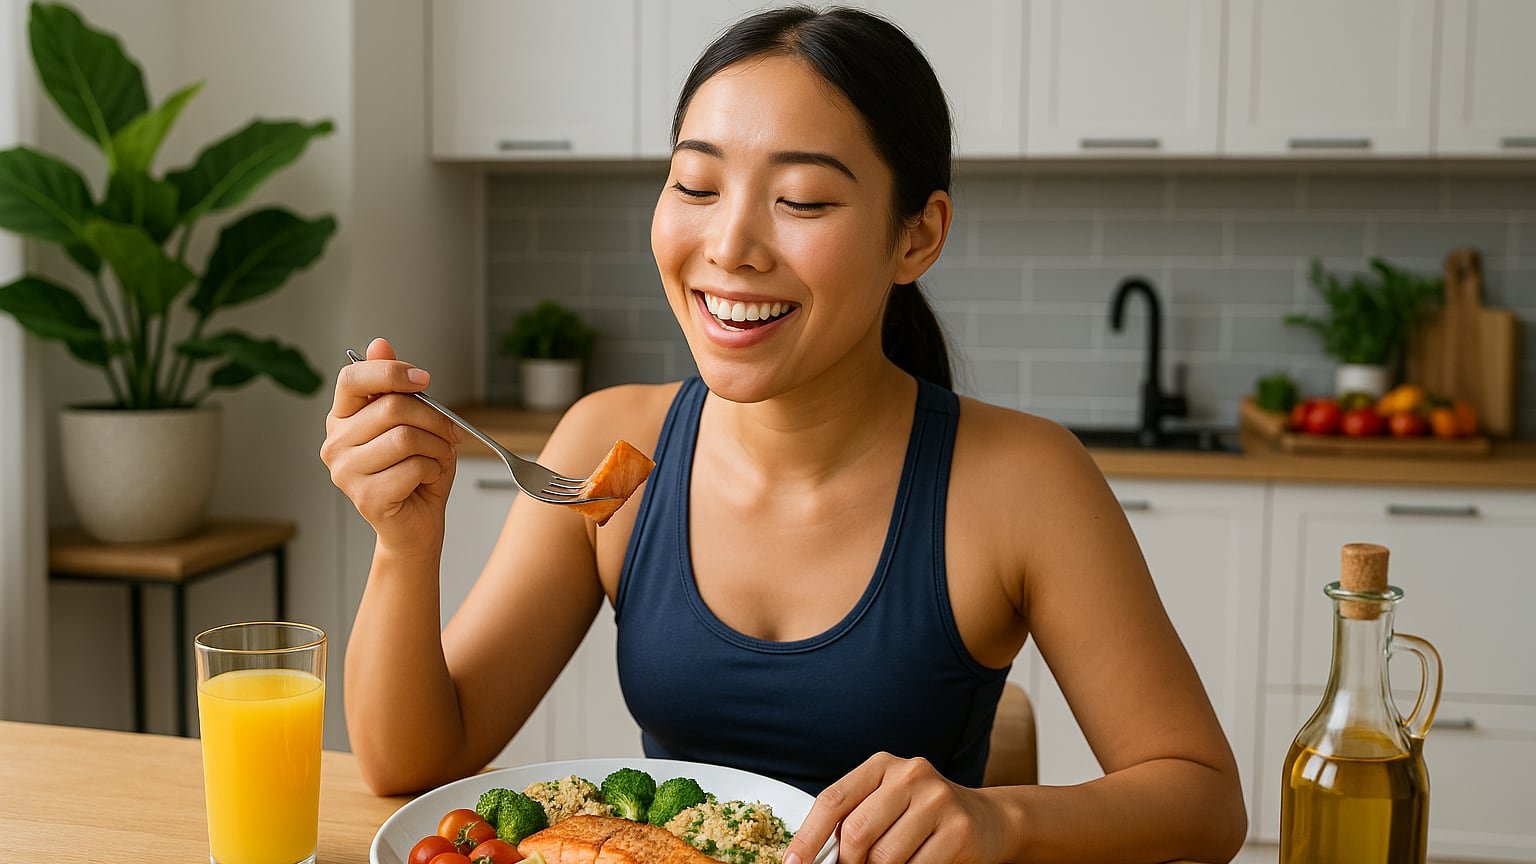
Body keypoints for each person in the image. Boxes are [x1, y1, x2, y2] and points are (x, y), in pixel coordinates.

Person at [321, 6, 1246, 863]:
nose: (730, 245)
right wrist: (406, 544)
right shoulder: (611, 445)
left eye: (801, 201)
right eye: (695, 184)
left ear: (917, 238)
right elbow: (413, 768)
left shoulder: (1021, 482)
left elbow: (1205, 802)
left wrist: (1000, 816)